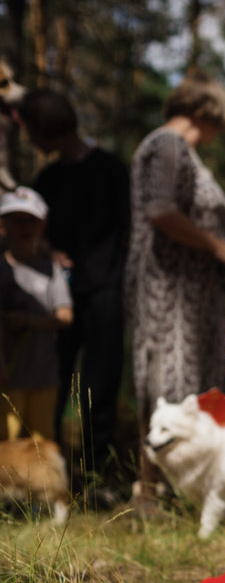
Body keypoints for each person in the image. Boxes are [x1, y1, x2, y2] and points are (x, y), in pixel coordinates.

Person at [124, 72, 225, 508]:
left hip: (193, 296)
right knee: (168, 384)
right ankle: (152, 493)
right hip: (168, 293)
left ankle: (185, 491)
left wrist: (221, 233)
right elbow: (160, 209)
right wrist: (214, 243)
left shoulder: (179, 150)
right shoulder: (167, 144)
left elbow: (183, 209)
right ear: (205, 113)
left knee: (189, 387)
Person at [17, 89, 129, 494]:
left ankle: (97, 478)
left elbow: (131, 228)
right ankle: (47, 478)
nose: (30, 139)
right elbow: (34, 234)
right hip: (58, 299)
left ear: (46, 129)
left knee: (100, 385)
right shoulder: (48, 179)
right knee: (53, 381)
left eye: (32, 130)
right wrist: (49, 251)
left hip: (106, 293)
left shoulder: (111, 170)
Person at [0, 186, 73, 441]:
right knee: (7, 444)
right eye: (17, 221)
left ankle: (46, 484)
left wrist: (29, 321)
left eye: (31, 221)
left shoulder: (51, 270)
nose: (24, 228)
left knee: (43, 443)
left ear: (41, 227)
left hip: (44, 375)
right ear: (3, 226)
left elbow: (65, 315)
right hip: (8, 378)